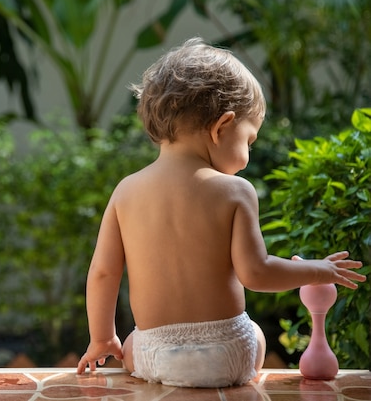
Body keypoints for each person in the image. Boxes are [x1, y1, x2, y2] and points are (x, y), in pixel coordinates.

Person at [75, 37, 366, 388]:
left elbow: (104, 272)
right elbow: (256, 273)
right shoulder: (235, 191)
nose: (248, 153)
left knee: (134, 342)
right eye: (249, 140)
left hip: (153, 355)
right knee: (255, 334)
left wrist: (103, 338)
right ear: (221, 127)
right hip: (227, 353)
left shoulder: (126, 191)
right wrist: (316, 270)